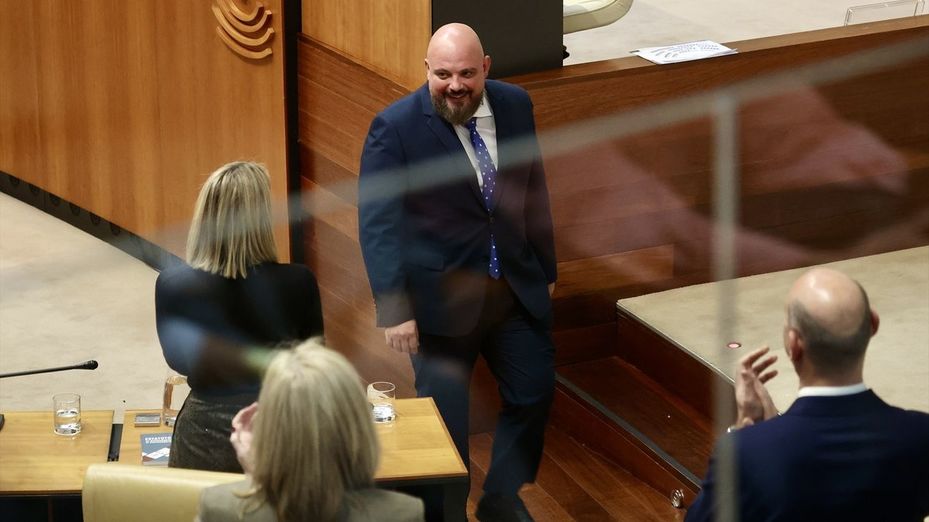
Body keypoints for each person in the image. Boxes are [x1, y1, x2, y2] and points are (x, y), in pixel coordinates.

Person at [357, 22, 557, 522]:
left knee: (534, 393)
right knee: (444, 427)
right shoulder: (394, 128)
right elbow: (378, 223)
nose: (455, 85)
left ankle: (499, 500)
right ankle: (446, 516)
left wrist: (546, 266)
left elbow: (532, 188)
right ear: (427, 70)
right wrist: (396, 309)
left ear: (485, 68)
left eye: (466, 73)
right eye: (442, 73)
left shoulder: (515, 105)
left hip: (511, 288)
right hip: (437, 307)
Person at [685, 268, 929, 522]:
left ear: (793, 343)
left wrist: (746, 430)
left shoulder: (746, 453)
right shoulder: (920, 436)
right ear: (873, 324)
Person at [155, 161, 323, 472]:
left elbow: (179, 363)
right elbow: (313, 360)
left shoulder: (172, 284)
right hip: (279, 425)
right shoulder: (298, 281)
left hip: (202, 434)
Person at [196, 339, 424, 522]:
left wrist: (256, 476)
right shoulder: (403, 512)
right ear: (359, 428)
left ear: (269, 430)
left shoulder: (220, 507)